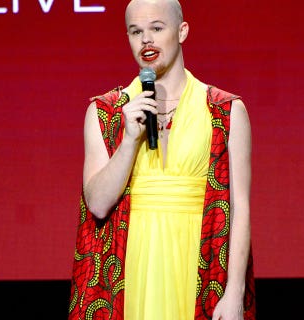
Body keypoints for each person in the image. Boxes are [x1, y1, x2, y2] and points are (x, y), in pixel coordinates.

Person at [68, 0, 255, 319]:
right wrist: (129, 140)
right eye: (136, 31)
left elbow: (239, 208)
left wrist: (234, 294)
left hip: (198, 263)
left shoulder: (224, 111)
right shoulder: (106, 112)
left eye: (157, 28)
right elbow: (97, 204)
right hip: (132, 267)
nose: (146, 41)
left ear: (181, 31)